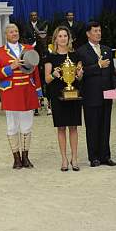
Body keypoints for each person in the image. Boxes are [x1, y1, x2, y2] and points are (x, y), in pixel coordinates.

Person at [0, 23, 43, 169]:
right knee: (12, 126)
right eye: (11, 32)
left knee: (27, 125)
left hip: (27, 91)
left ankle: (26, 157)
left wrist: (39, 92)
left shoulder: (29, 49)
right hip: (11, 93)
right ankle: (16, 158)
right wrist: (10, 67)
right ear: (6, 35)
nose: (15, 34)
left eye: (16, 31)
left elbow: (35, 72)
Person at [76, 21, 116, 167]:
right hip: (91, 94)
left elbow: (112, 73)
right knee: (93, 126)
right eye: (95, 31)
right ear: (88, 33)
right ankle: (93, 157)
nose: (98, 33)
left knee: (105, 125)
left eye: (99, 30)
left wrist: (115, 89)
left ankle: (105, 156)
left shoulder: (107, 49)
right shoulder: (81, 51)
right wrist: (98, 66)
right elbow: (81, 73)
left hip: (107, 94)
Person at [44, 26, 83, 171]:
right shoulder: (50, 57)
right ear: (55, 39)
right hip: (57, 95)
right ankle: (64, 159)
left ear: (69, 38)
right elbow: (47, 79)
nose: (63, 38)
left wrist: (80, 74)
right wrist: (53, 74)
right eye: (60, 36)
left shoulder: (75, 56)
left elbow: (79, 75)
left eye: (65, 36)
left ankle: (74, 158)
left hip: (73, 95)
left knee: (73, 127)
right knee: (61, 128)